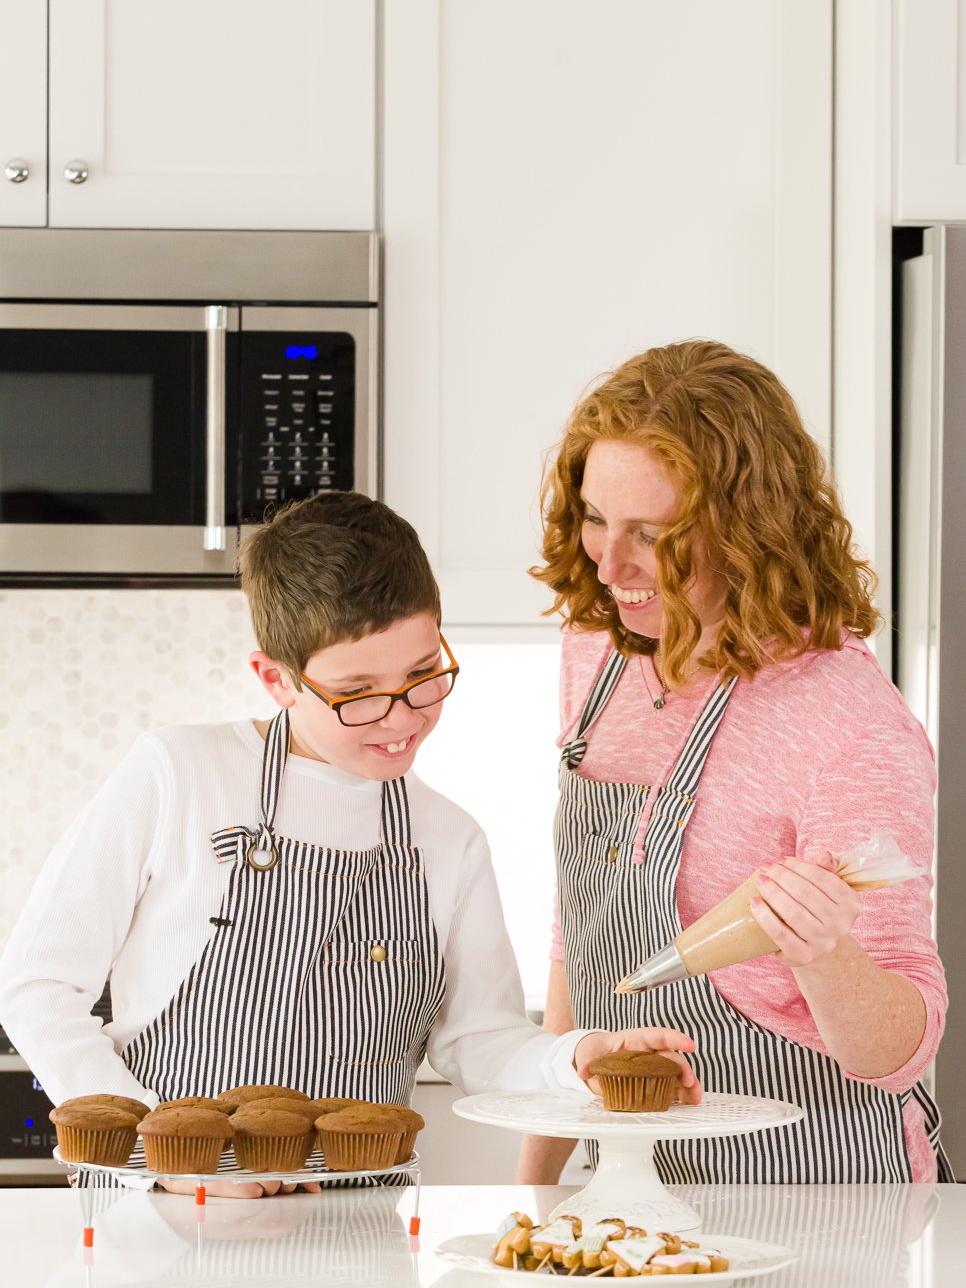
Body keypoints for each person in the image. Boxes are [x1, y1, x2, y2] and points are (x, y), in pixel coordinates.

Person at [0, 490, 695, 1198]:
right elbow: (38, 987)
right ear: (276, 679)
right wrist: (167, 1160)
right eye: (358, 692)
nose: (400, 719)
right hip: (167, 1225)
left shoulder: (446, 839)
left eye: (423, 676)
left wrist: (577, 1056)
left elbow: (476, 1041)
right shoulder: (180, 774)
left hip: (359, 1241)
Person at [519, 341, 950, 1186]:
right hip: (636, 1188)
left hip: (816, 1193)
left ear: (747, 528)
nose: (610, 565)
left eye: (652, 534)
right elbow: (583, 935)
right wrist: (534, 1187)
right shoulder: (598, 652)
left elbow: (903, 1048)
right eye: (596, 516)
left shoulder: (844, 720)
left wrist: (825, 955)